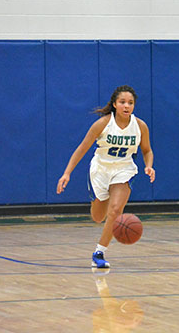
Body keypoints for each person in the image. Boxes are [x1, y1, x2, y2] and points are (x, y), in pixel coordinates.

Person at [57, 85, 155, 270]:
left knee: (116, 210)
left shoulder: (140, 126)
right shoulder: (103, 124)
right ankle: (101, 197)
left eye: (130, 103)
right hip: (101, 169)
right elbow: (82, 148)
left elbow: (147, 150)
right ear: (115, 104)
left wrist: (149, 166)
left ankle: (99, 252)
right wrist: (67, 173)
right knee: (98, 217)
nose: (127, 106)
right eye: (122, 102)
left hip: (124, 169)